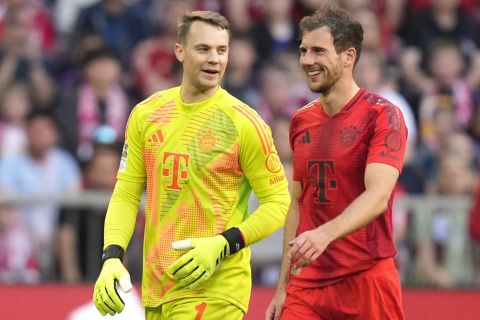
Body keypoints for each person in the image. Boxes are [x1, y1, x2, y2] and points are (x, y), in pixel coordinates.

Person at [93, 10, 290, 320]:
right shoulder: (147, 114)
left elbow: (278, 202)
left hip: (216, 289)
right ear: (180, 51)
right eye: (204, 49)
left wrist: (225, 244)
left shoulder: (244, 123)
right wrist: (112, 257)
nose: (215, 59)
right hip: (158, 288)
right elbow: (126, 193)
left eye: (221, 50)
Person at [265, 5, 407, 320]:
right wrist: (282, 286)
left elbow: (378, 196)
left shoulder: (383, 116)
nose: (307, 61)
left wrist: (324, 234)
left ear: (348, 56)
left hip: (366, 278)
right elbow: (298, 203)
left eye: (318, 51)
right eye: (303, 51)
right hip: (307, 285)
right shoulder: (301, 120)